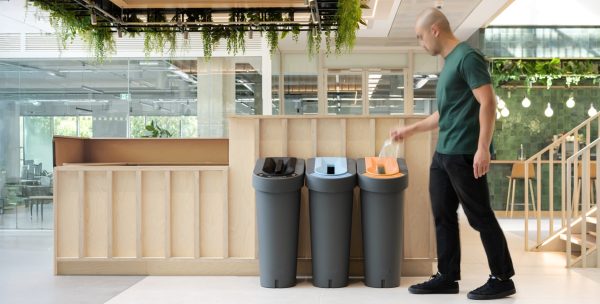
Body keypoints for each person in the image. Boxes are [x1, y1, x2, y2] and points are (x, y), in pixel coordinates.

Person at [390, 8, 516, 300]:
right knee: (443, 216)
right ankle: (447, 277)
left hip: (464, 153)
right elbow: (442, 114)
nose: (421, 44)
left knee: (480, 216)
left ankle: (502, 278)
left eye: (421, 37)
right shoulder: (449, 64)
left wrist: (482, 147)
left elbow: (488, 103)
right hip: (443, 154)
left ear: (435, 30)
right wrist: (410, 130)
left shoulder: (468, 58)